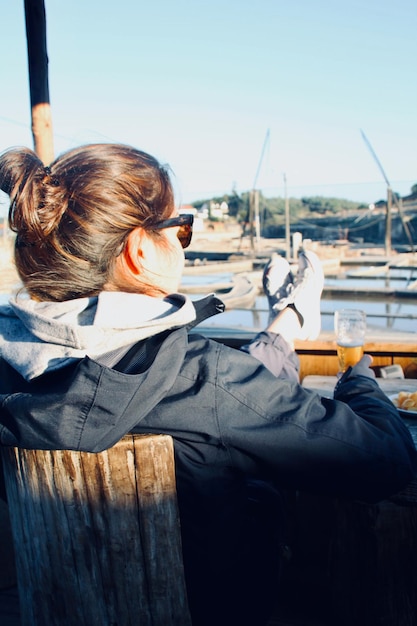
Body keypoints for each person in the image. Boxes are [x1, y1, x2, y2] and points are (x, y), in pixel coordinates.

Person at [0, 143, 416, 626]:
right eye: (181, 228)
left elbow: (199, 396)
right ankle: (293, 320)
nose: (183, 240)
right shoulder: (208, 379)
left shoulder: (13, 374)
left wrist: (274, 337)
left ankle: (289, 322)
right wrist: (360, 381)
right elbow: (384, 461)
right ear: (138, 251)